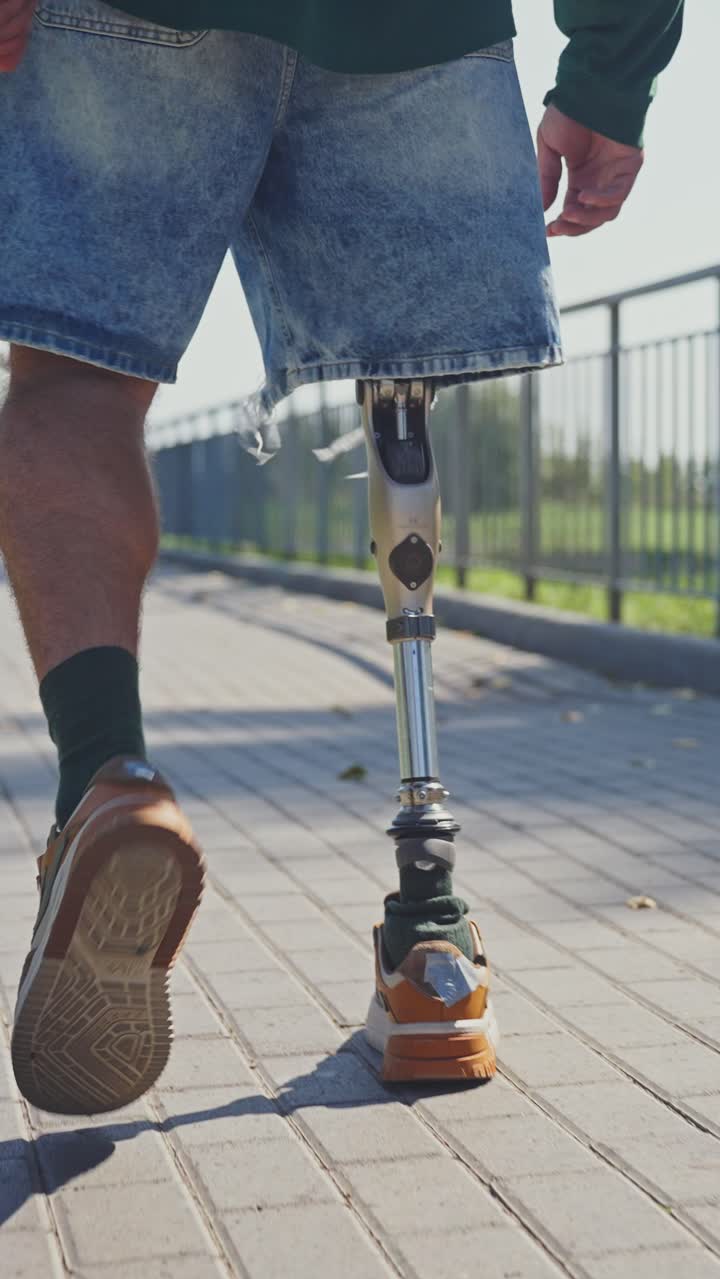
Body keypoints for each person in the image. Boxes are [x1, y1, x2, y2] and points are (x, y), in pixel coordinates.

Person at [0, 0, 684, 1112]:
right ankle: (430, 943)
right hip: (414, 26)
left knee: (77, 376)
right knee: (399, 387)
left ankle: (106, 778)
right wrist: (612, 70)